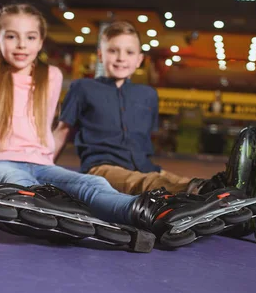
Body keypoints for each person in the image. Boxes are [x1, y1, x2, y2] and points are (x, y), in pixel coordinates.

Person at [0, 4, 233, 249]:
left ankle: (149, 213)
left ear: (40, 42)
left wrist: (54, 171)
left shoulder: (51, 76)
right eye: (11, 36)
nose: (21, 45)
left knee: (92, 183)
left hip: (42, 163)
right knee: (18, 185)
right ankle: (55, 212)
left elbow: (44, 135)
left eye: (30, 37)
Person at [53, 20, 223, 196]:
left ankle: (222, 191)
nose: (121, 58)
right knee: (153, 184)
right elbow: (62, 131)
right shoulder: (82, 88)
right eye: (113, 51)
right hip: (102, 169)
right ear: (100, 55)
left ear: (139, 59)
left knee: (181, 181)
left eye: (129, 52)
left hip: (145, 168)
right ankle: (200, 192)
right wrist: (41, 170)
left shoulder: (148, 95)